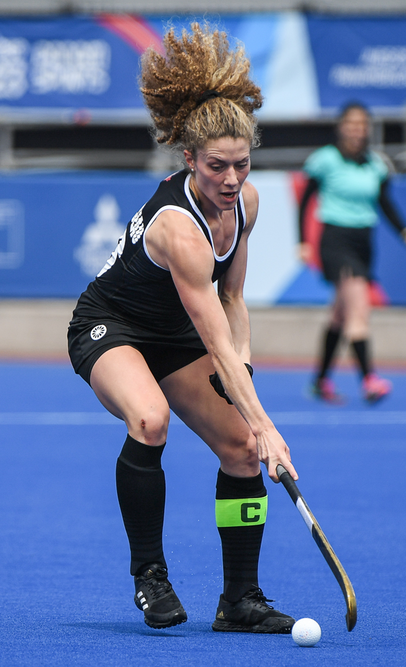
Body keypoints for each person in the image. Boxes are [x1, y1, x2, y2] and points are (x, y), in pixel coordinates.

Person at [67, 24, 297, 634]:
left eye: (242, 165)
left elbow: (233, 299)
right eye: (217, 166)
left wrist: (246, 377)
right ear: (189, 159)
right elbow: (214, 338)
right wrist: (266, 423)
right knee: (150, 418)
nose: (231, 180)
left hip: (173, 336)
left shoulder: (245, 205)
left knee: (241, 451)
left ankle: (240, 600)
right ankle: (150, 575)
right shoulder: (179, 228)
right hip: (110, 326)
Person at [298, 103, 406, 405]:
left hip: (363, 242)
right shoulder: (325, 160)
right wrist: (302, 241)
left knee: (340, 315)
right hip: (335, 240)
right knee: (358, 311)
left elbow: (385, 204)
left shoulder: (376, 165)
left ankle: (320, 381)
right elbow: (305, 200)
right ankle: (369, 379)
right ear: (341, 127)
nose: (357, 130)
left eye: (362, 124)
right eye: (351, 123)